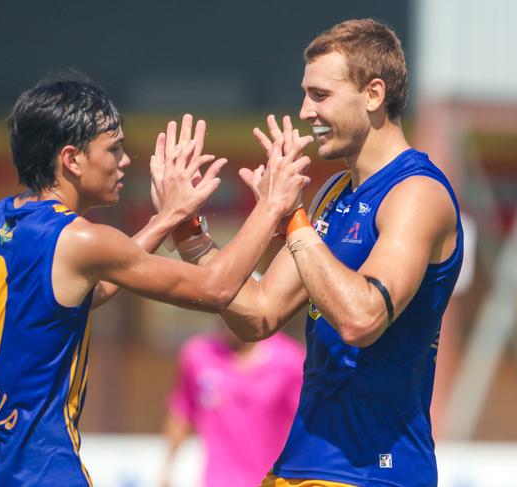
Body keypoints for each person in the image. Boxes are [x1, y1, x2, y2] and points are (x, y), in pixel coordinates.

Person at [156, 19, 464, 487]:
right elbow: (257, 315)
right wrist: (190, 235)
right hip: (298, 465)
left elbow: (361, 318)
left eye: (320, 95)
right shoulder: (333, 194)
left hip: (373, 472)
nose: (305, 111)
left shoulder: (416, 193)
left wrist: (292, 219)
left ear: (374, 94)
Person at [0, 74, 312, 486]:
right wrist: (272, 205)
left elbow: (85, 292)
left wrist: (166, 220)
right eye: (114, 149)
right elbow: (216, 288)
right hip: (45, 475)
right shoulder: (80, 239)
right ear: (72, 159)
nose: (125, 161)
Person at [160, 326, 304, 487]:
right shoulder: (199, 355)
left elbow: (305, 423)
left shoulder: (288, 359)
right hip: (217, 481)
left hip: (271, 481)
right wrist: (167, 469)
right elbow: (182, 413)